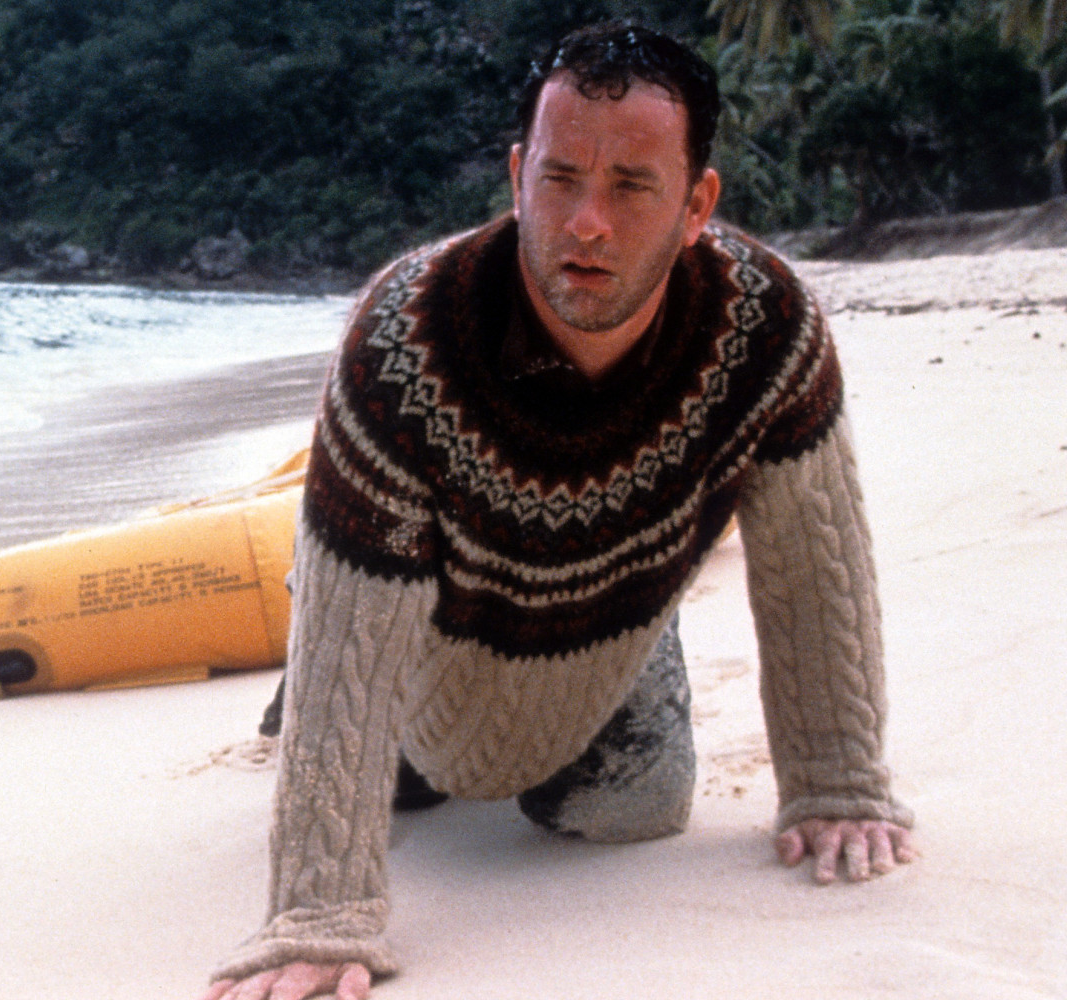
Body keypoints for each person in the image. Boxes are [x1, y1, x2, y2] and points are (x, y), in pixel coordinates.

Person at [202, 23, 916, 1000]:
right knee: (403, 772)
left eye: (630, 186)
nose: (585, 222)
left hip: (609, 631)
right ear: (514, 175)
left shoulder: (765, 326)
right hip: (418, 647)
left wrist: (835, 782)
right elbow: (356, 627)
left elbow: (810, 561)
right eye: (558, 177)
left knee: (629, 812)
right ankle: (300, 684)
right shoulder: (403, 339)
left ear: (695, 202)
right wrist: (318, 911)